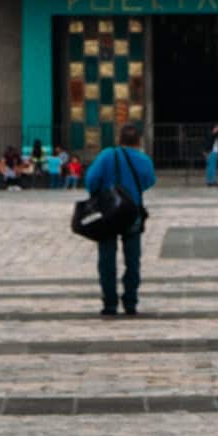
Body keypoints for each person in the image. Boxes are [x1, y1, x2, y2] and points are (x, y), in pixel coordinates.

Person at [84, 121, 156, 317]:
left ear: (119, 138)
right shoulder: (143, 160)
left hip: (108, 213)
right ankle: (130, 302)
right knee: (133, 260)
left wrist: (102, 192)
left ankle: (110, 303)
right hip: (132, 212)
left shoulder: (107, 155)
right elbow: (150, 181)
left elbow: (91, 180)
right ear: (138, 141)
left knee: (106, 259)